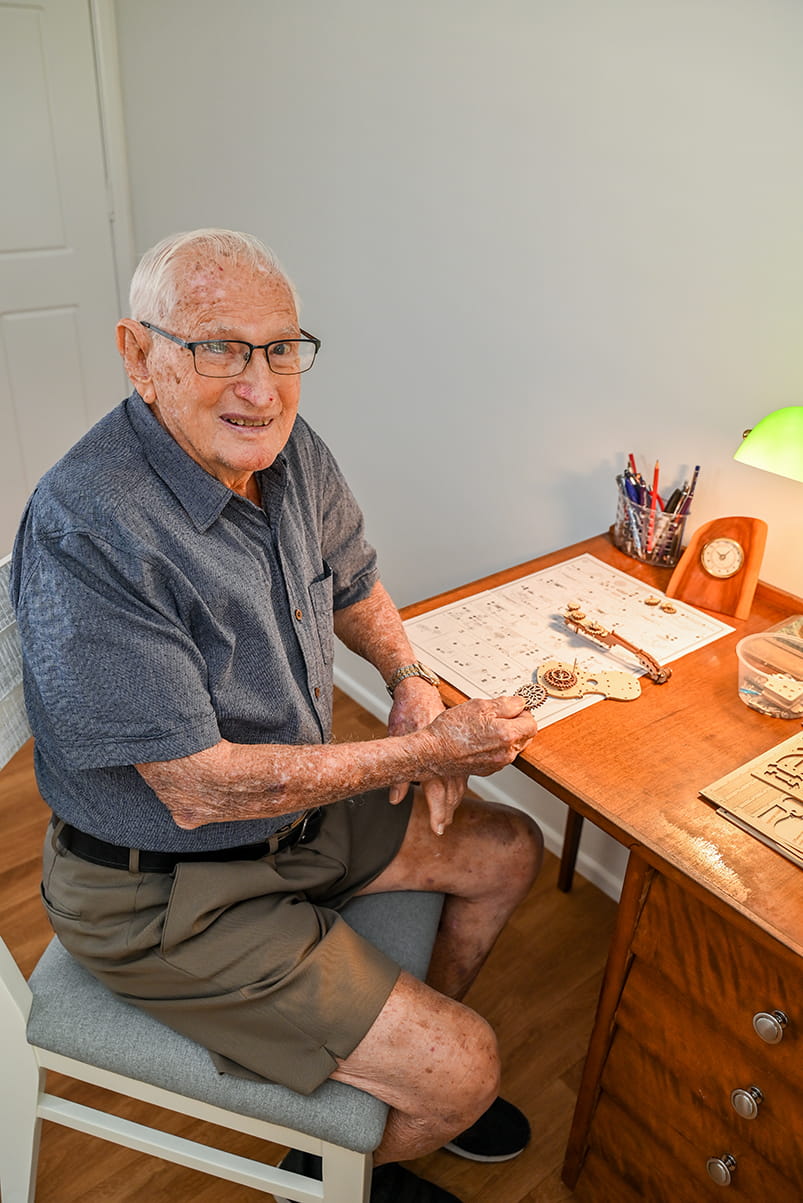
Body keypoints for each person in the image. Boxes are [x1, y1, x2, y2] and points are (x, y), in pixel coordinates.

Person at [11, 229, 543, 1203]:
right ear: (140, 356)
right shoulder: (88, 522)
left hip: (285, 818)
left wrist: (408, 676)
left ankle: (374, 1105)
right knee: (466, 1069)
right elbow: (198, 790)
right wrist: (427, 747)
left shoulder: (282, 449)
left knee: (505, 850)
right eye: (217, 347)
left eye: (279, 348)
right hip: (159, 892)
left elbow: (354, 579)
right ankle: (368, 1141)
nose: (260, 386)